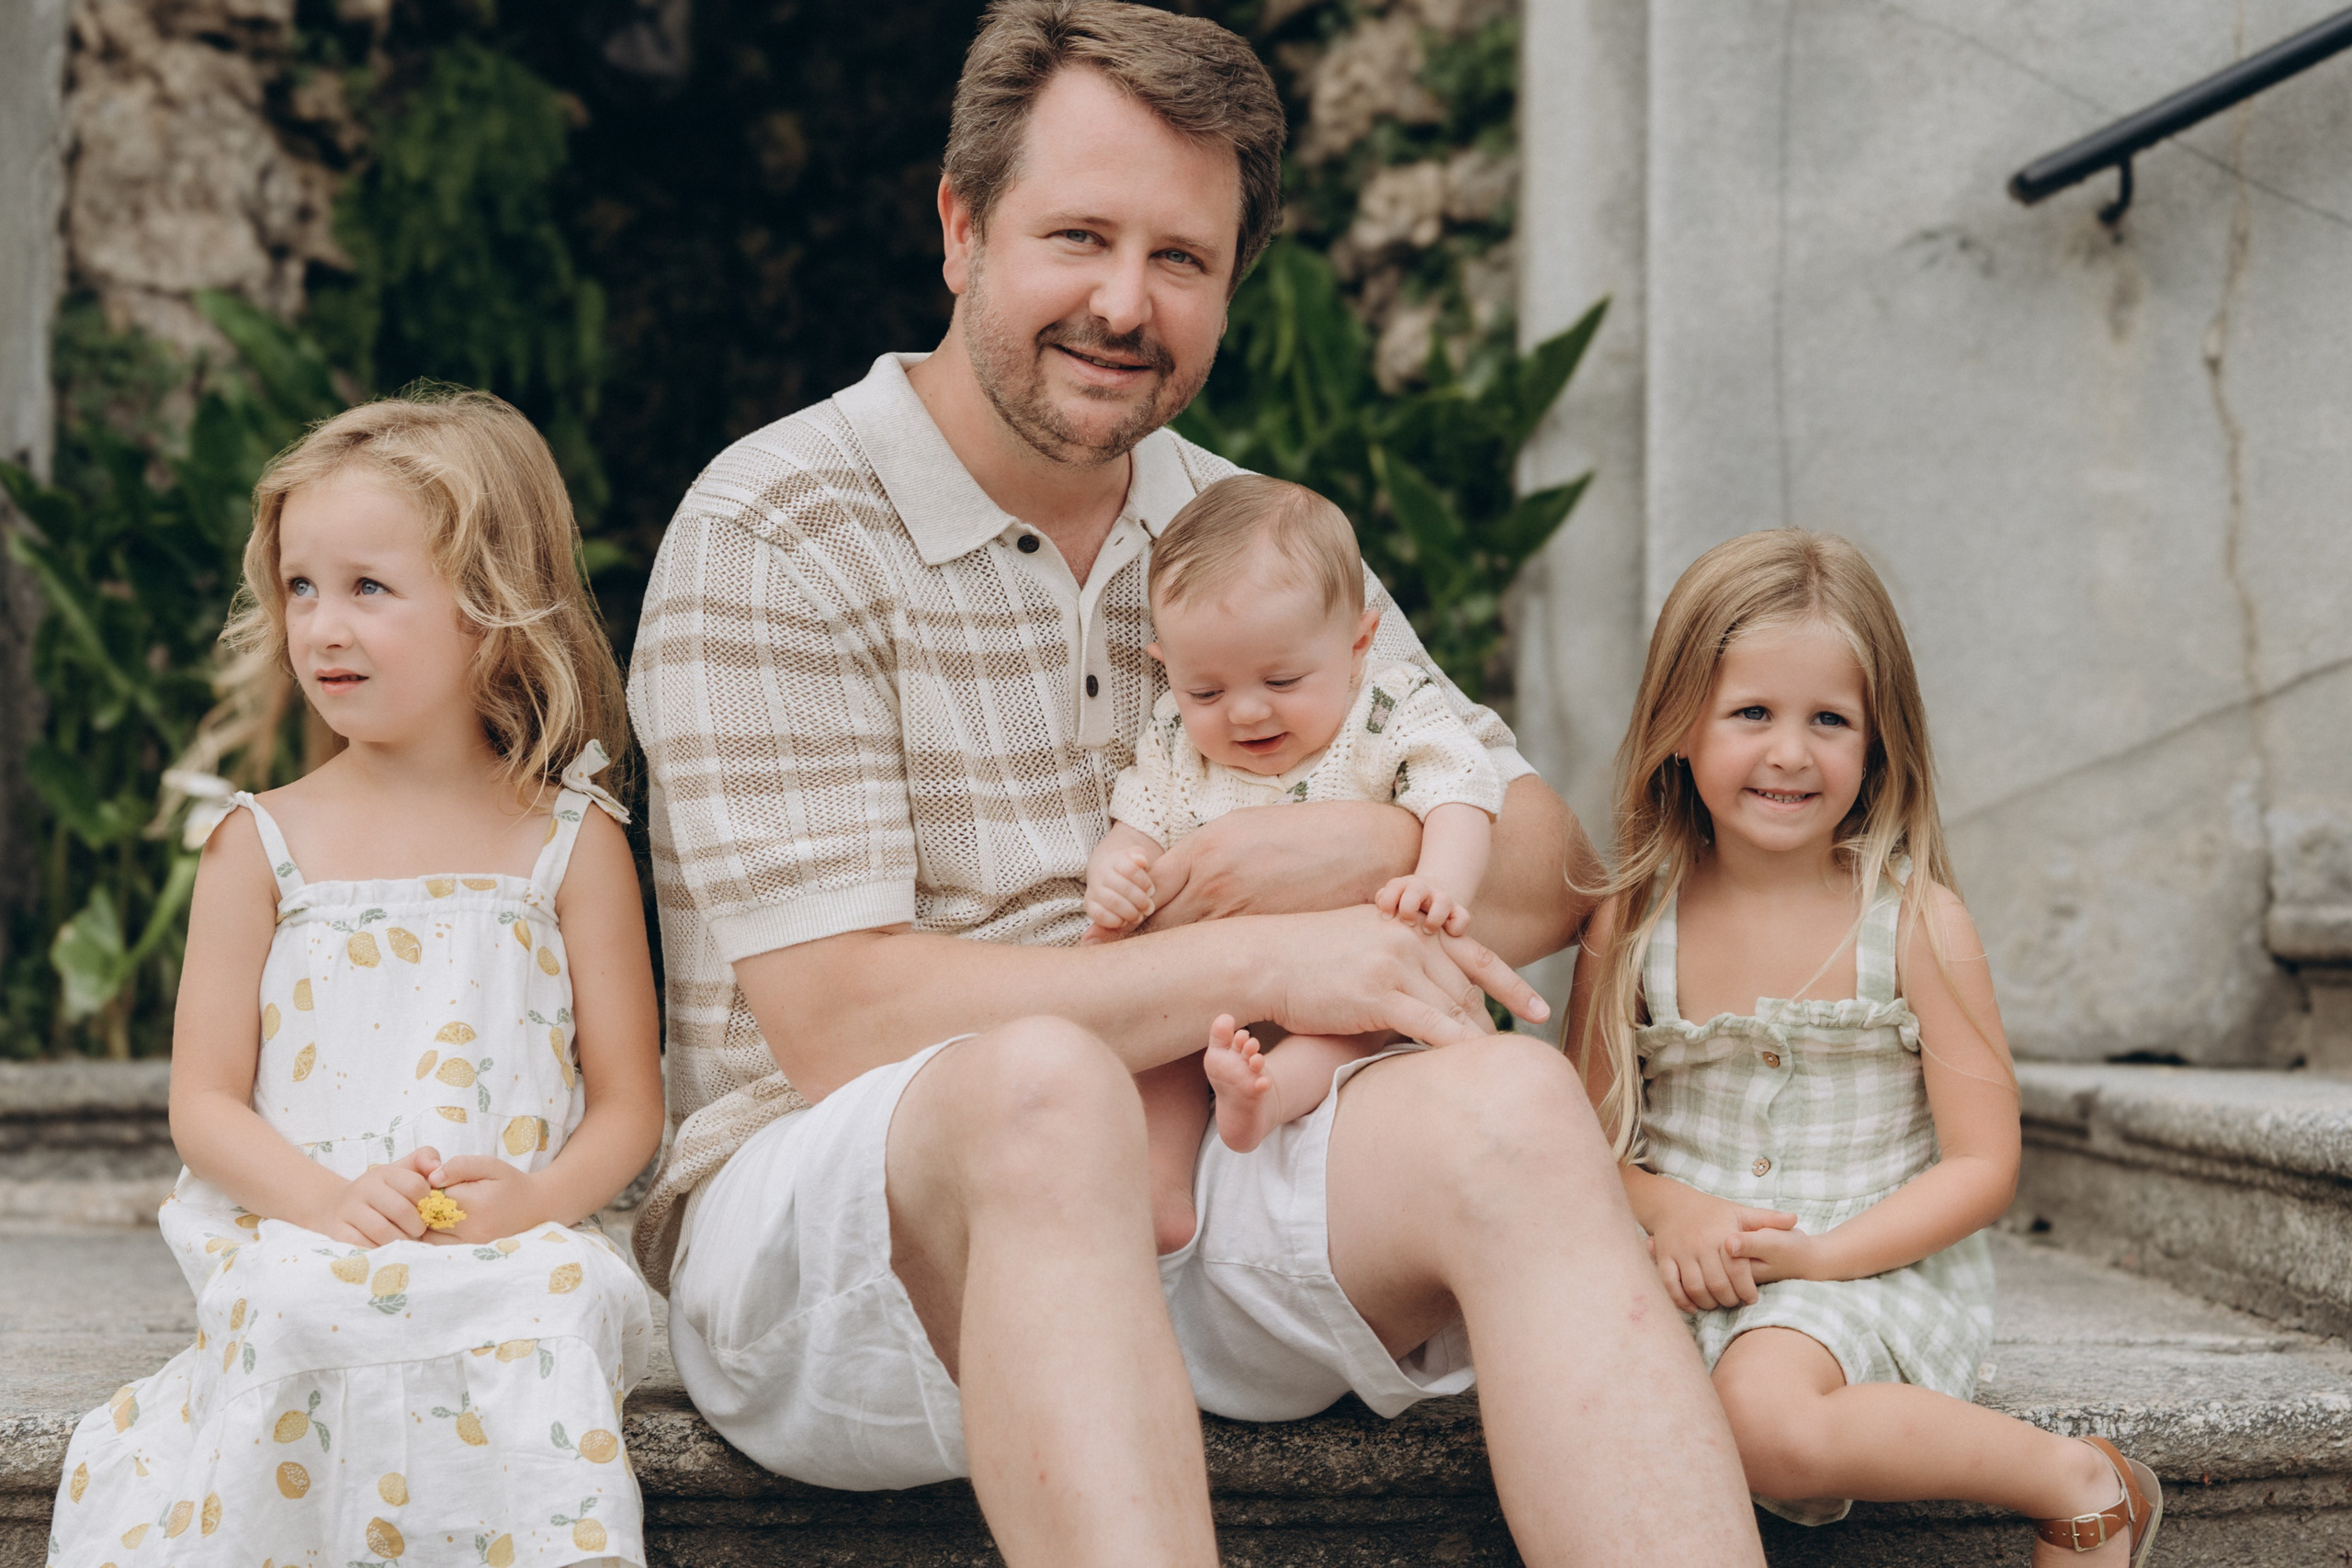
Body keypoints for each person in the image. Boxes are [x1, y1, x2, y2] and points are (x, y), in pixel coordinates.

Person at [627, 2, 1767, 1562]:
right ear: (960, 227)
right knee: (1047, 1087)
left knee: (1509, 1098)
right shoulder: (779, 524)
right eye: (1078, 235)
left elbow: (1554, 875)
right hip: (837, 1236)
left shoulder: (1243, 532)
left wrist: (1352, 845)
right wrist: (1259, 952)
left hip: (1206, 1170)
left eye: (1182, 258)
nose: (1124, 300)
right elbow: (833, 1019)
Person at [47, 392, 663, 1568]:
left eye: (369, 589)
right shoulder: (259, 843)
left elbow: (631, 1100)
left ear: (491, 606)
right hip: (301, 1223)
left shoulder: (571, 842)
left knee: (543, 1309)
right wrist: (328, 1206)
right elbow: (205, 1103)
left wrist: (531, 1205)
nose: (322, 627)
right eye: (299, 588)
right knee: (296, 1309)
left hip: (504, 1238)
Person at [1565, 529, 2162, 1565]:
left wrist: (1826, 1256)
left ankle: (2077, 1482)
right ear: (1677, 726)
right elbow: (1583, 1143)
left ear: (1878, 740)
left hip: (1870, 1272)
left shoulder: (1914, 923)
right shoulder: (1631, 924)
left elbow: (1983, 1163)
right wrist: (1680, 1214)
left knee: (1766, 1422)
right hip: (1684, 1272)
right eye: (1751, 713)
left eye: (1828, 720)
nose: (1790, 753)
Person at [1081, 474, 1502, 1247]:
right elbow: (1136, 818)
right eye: (1205, 687)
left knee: (1351, 1027)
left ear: (1358, 644)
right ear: (1163, 662)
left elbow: (1463, 788)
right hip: (1216, 987)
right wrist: (1118, 869)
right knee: (1157, 1042)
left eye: (1282, 680)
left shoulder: (1384, 710)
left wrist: (1438, 881)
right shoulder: (1178, 739)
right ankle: (1160, 1185)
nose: (1245, 711)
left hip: (1355, 980)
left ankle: (1266, 1102)